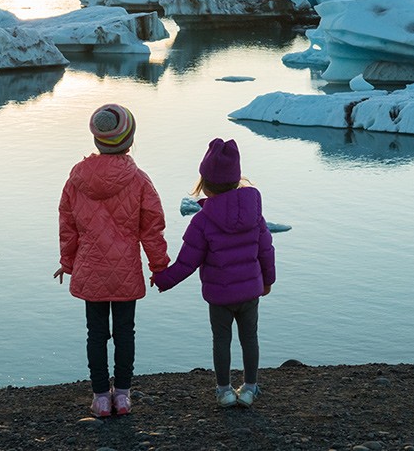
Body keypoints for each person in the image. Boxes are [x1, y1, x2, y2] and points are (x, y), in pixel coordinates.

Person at [55, 103, 169, 418]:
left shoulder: (75, 180)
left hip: (90, 269)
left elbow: (68, 226)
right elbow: (152, 228)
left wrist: (68, 262)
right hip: (126, 271)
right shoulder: (140, 180)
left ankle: (100, 398)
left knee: (95, 334)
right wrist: (159, 267)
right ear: (129, 140)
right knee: (124, 332)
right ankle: (122, 396)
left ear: (97, 140)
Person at [153, 138, 276, 408]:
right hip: (250, 291)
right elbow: (266, 250)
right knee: (250, 338)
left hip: (220, 295)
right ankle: (250, 388)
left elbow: (187, 262)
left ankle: (224, 391)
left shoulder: (203, 220)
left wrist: (163, 279)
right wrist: (268, 281)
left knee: (221, 340)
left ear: (205, 183)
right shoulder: (255, 214)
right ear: (236, 179)